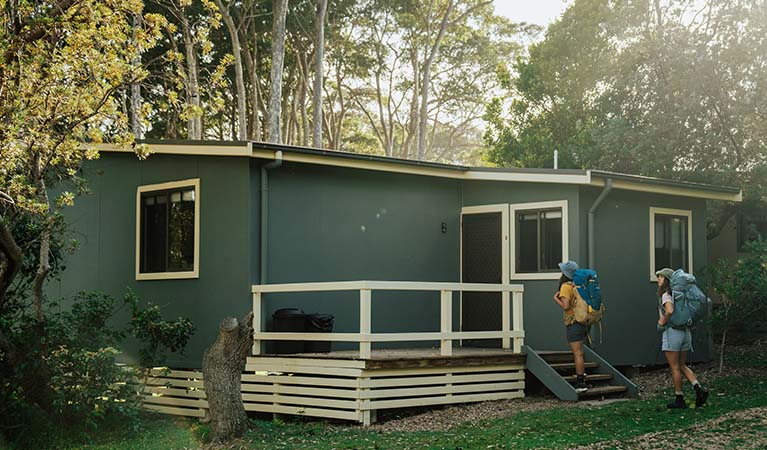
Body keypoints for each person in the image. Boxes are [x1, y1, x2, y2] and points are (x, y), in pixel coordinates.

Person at [656, 267, 708, 409]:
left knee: (675, 368)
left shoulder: (667, 294)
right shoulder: (681, 294)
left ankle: (679, 399)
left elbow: (670, 310)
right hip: (685, 332)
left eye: (661, 277)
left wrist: (661, 322)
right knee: (682, 365)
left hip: (672, 332)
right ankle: (699, 389)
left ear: (667, 280)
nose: (658, 279)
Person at [553, 260, 589, 392]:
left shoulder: (566, 287)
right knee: (580, 353)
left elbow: (566, 306)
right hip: (583, 322)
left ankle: (581, 383)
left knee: (577, 354)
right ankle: (582, 378)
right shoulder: (579, 285)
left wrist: (556, 299)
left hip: (573, 322)